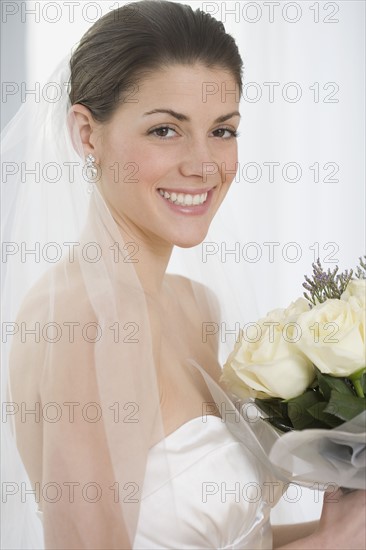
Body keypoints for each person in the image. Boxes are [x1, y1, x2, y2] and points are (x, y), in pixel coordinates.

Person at [2, 1, 365, 549]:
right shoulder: (81, 318)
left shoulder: (195, 305)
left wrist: (341, 525)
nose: (203, 164)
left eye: (222, 131)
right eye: (166, 130)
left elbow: (236, 538)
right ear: (86, 134)